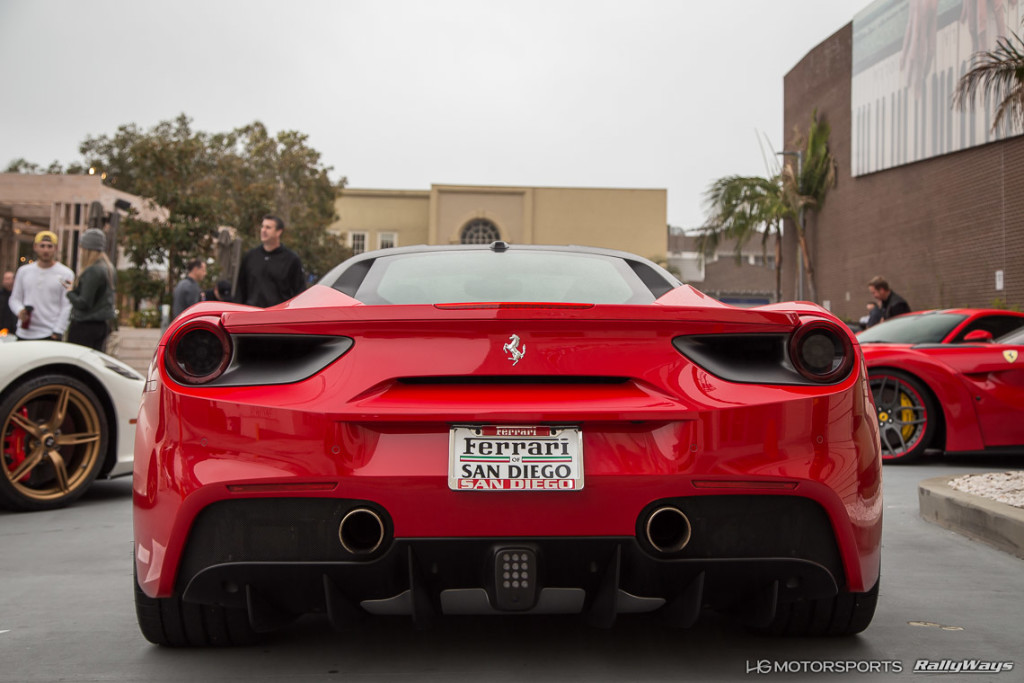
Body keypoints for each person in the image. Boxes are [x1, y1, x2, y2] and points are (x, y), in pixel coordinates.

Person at [8, 231, 74, 341]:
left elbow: (66, 305)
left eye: (49, 246)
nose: (46, 250)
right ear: (35, 247)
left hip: (49, 332)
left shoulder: (66, 274)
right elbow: (15, 299)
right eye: (42, 246)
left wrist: (58, 330)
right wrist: (20, 311)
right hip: (24, 332)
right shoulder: (24, 271)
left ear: (55, 248)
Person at [235, 214, 304, 307]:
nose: (263, 230)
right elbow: (240, 289)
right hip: (252, 313)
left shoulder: (291, 259)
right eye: (262, 227)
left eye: (268, 227)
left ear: (278, 232)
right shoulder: (250, 256)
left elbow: (299, 292)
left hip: (278, 315)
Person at [66, 228, 117, 351]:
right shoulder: (109, 268)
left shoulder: (93, 270)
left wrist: (70, 292)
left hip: (85, 326)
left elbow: (84, 302)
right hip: (101, 325)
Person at [1, 270, 18, 334]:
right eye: (5, 279)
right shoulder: (1, 295)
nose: (6, 281)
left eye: (8, 279)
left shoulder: (18, 296)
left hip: (14, 329)